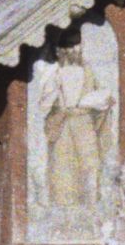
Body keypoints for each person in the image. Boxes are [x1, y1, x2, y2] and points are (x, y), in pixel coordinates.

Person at [41, 39, 113, 207]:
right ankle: (63, 210)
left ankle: (90, 209)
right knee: (62, 169)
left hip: (84, 124)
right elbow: (44, 105)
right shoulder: (54, 72)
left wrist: (101, 104)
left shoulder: (88, 72)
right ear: (60, 51)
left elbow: (100, 98)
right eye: (69, 49)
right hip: (63, 125)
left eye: (77, 49)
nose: (74, 52)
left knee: (89, 166)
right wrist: (59, 110)